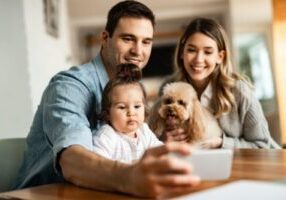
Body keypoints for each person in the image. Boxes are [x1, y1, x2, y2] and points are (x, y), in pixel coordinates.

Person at [13, 1, 200, 198]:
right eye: (128, 39)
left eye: (146, 42)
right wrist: (131, 177)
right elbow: (72, 161)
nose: (138, 51)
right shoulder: (69, 86)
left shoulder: (129, 88)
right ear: (105, 38)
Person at [157, 17, 281, 149]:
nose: (199, 59)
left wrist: (222, 143)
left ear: (220, 57)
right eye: (191, 50)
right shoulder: (169, 89)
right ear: (182, 52)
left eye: (208, 52)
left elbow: (263, 145)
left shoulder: (239, 90)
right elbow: (153, 137)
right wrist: (162, 139)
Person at [93, 63, 163, 163]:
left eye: (137, 106)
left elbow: (160, 151)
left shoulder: (144, 131)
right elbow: (99, 165)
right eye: (122, 107)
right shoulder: (106, 137)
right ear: (107, 113)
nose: (131, 112)